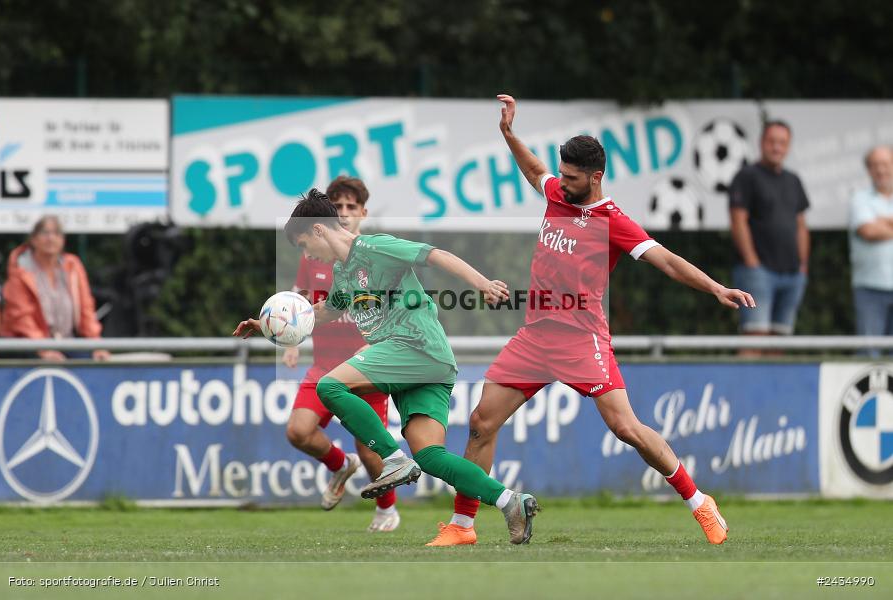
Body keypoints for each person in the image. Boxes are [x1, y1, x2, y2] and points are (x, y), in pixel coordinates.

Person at [427, 94, 755, 548]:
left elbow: (667, 261)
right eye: (562, 173)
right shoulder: (559, 193)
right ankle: (462, 528)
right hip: (535, 337)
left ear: (595, 178)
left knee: (627, 429)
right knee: (482, 421)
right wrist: (508, 135)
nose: (561, 181)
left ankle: (699, 501)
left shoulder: (613, 221)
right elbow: (533, 170)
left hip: (583, 341)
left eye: (572, 176)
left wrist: (716, 287)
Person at [234, 189, 539, 545]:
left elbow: (435, 255)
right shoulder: (343, 273)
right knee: (430, 456)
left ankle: (393, 459)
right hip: (427, 364)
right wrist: (268, 323)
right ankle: (511, 502)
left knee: (329, 386)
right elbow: (324, 312)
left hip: (414, 345)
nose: (306, 254)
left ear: (318, 230)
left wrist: (482, 284)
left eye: (303, 245)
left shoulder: (374, 248)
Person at [282, 176, 400, 532]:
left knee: (371, 451)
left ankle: (386, 509)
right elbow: (298, 300)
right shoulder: (313, 256)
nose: (345, 213)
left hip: (366, 370)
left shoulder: (374, 255)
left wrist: (378, 341)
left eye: (352, 207)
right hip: (324, 366)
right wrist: (289, 338)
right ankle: (339, 466)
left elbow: (397, 306)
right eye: (339, 207)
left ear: (363, 212)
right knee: (298, 432)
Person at [729, 120, 810, 340]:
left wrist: (802, 266)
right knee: (755, 337)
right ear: (761, 143)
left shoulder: (793, 180)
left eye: (782, 143)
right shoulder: (746, 176)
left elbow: (801, 226)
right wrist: (752, 261)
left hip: (792, 274)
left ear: (788, 146)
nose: (776, 147)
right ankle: (745, 377)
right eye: (772, 141)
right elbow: (738, 221)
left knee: (781, 342)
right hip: (758, 273)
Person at [0, 215, 109, 361]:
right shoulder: (20, 269)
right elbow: (21, 317)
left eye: (56, 233)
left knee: (91, 360)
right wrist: (44, 349)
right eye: (45, 233)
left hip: (66, 342)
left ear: (63, 240)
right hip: (26, 344)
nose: (51, 238)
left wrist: (96, 344)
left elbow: (86, 310)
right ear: (33, 239)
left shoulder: (72, 266)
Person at [849, 145, 893, 354]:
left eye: (885, 164)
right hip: (869, 289)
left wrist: (884, 222)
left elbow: (876, 228)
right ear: (869, 170)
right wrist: (877, 225)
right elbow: (868, 231)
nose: (881, 170)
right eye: (875, 165)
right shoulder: (859, 199)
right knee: (868, 354)